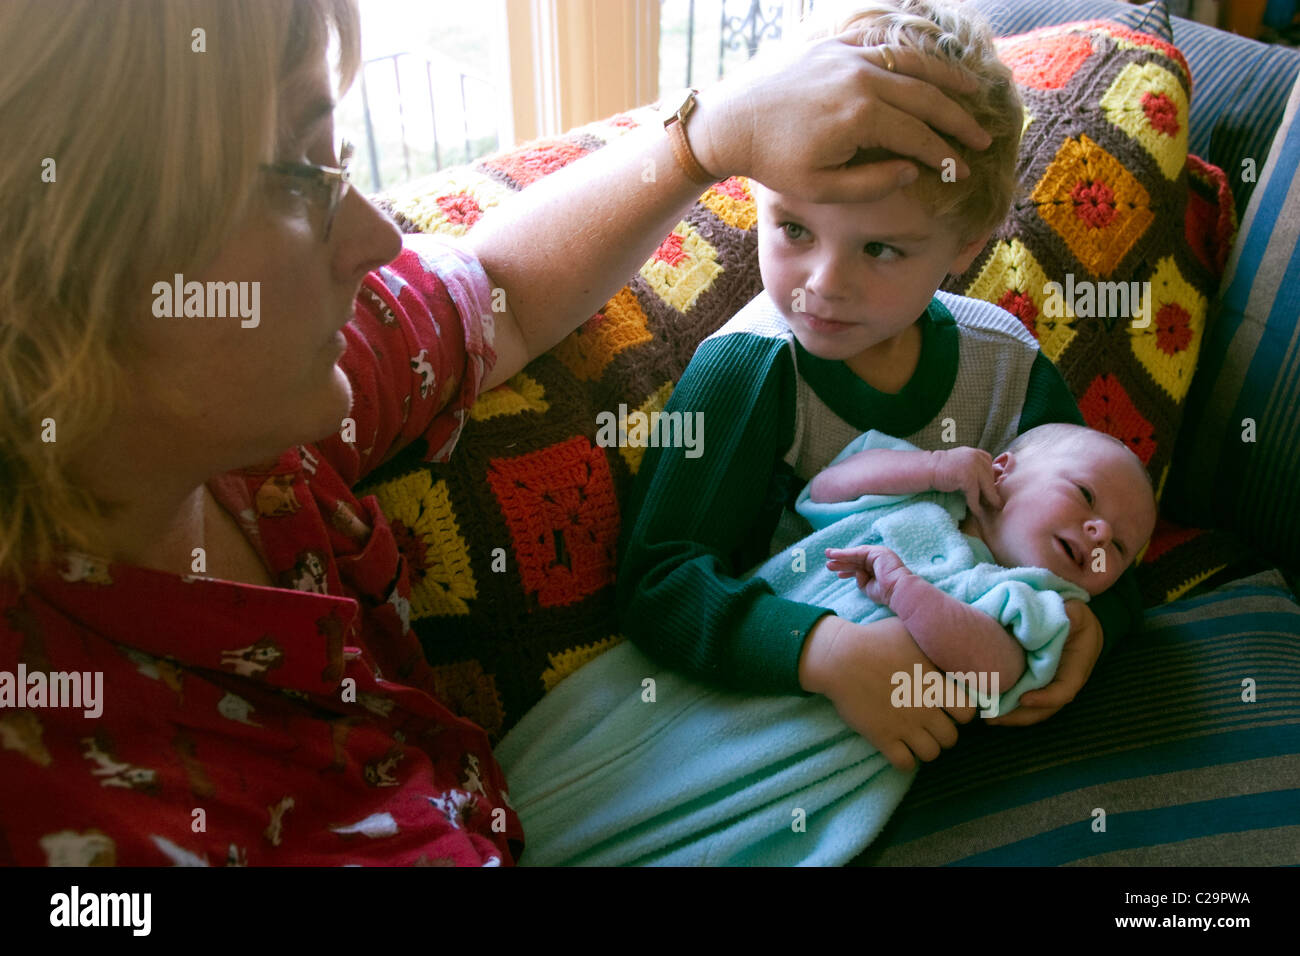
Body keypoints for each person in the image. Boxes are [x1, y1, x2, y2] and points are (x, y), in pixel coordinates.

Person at [0, 0, 993, 865]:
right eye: (298, 179)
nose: (377, 236)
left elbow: (497, 298)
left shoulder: (264, 428)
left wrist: (702, 138)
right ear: (61, 279)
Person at [616, 0, 1147, 774]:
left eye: (881, 248)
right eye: (793, 229)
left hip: (953, 733)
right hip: (773, 721)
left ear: (964, 246)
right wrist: (826, 655)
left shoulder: (1006, 362)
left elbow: (1114, 522)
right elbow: (659, 581)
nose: (822, 288)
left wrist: (1098, 627)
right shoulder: (751, 368)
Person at [494, 423, 1157, 866]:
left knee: (701, 831)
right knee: (593, 766)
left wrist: (906, 593)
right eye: (1084, 495)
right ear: (1001, 469)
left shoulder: (1037, 601)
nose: (1099, 532)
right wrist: (928, 464)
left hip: (804, 757)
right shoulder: (916, 495)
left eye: (1119, 548)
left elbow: (995, 672)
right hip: (741, 666)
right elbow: (824, 491)